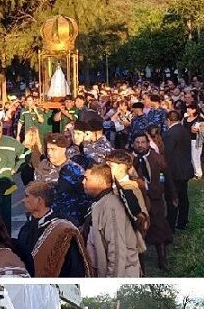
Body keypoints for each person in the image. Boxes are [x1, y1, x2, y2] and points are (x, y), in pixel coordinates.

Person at [14, 181, 91, 277]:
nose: (23, 200)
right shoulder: (26, 229)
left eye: (27, 196)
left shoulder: (64, 229)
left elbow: (74, 267)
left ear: (39, 200)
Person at [82, 164, 141, 277]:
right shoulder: (100, 202)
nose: (83, 182)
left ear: (101, 182)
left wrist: (111, 279)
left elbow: (117, 250)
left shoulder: (111, 206)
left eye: (87, 179)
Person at [132, 133, 175, 270]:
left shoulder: (156, 158)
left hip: (155, 198)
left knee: (159, 227)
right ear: (133, 144)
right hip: (137, 200)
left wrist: (173, 194)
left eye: (143, 142)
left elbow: (167, 176)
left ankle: (162, 260)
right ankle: (141, 266)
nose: (140, 145)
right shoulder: (129, 160)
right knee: (138, 231)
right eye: (137, 142)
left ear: (148, 143)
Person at [35, 133, 90, 226]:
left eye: (53, 149)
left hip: (69, 220)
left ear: (64, 150)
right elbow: (36, 194)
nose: (49, 153)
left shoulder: (75, 170)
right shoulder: (42, 168)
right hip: (46, 221)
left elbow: (84, 198)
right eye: (48, 149)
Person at [163, 110, 194, 231]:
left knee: (173, 197)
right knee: (183, 196)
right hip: (184, 168)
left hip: (175, 171)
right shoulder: (183, 130)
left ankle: (171, 224)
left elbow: (168, 153)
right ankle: (182, 221)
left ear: (168, 120)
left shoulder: (170, 133)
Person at [182, 103, 204, 179]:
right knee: (190, 157)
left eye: (190, 108)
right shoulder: (185, 119)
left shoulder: (200, 119)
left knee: (195, 157)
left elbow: (202, 130)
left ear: (194, 110)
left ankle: (198, 174)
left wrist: (198, 129)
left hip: (196, 140)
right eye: (187, 108)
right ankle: (193, 172)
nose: (188, 110)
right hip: (187, 140)